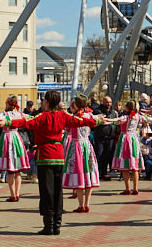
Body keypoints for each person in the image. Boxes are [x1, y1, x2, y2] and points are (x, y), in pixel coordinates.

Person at [7, 91, 99, 235]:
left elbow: (26, 122)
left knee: (46, 191)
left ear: (48, 102)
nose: (42, 102)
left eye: (44, 100)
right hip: (58, 154)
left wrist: (7, 122)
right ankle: (57, 224)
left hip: (44, 156)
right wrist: (97, 121)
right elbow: (81, 121)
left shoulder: (43, 116)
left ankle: (48, 225)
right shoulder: (63, 115)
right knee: (57, 190)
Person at [62, 96, 100, 212]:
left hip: (76, 146)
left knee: (78, 174)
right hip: (87, 145)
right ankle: (87, 204)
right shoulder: (89, 115)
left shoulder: (74, 117)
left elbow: (67, 129)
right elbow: (97, 121)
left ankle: (81, 205)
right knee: (88, 173)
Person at [0, 96, 30, 202]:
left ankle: (12, 194)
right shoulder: (20, 114)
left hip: (6, 138)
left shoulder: (3, 115)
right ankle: (17, 194)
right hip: (16, 138)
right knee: (18, 170)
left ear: (8, 103)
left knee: (11, 170)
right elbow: (30, 118)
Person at [113, 101, 151, 195]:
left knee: (125, 166)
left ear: (127, 107)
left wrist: (103, 120)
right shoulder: (138, 116)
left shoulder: (125, 117)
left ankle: (128, 188)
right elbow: (148, 120)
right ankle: (135, 188)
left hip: (125, 139)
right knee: (134, 166)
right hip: (134, 139)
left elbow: (115, 120)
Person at [93, 95, 120, 179]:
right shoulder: (98, 111)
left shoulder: (113, 113)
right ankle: (96, 173)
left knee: (107, 156)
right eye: (107, 102)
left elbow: (116, 122)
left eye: (110, 102)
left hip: (110, 137)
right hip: (100, 137)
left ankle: (104, 173)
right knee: (99, 155)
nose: (108, 104)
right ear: (103, 102)